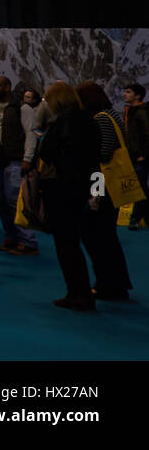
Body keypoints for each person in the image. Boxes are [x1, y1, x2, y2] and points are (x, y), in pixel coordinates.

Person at [37, 82, 102, 310]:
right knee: (87, 241)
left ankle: (78, 293)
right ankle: (89, 289)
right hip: (89, 185)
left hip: (63, 189)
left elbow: (46, 152)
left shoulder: (60, 123)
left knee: (66, 245)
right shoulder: (90, 121)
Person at [75, 82, 134, 299]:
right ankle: (114, 283)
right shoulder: (111, 115)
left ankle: (108, 284)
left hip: (99, 180)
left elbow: (104, 152)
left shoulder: (100, 119)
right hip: (106, 181)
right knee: (106, 234)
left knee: (97, 232)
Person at [0, 75, 36, 255]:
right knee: (0, 201)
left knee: (15, 201)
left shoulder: (22, 108)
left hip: (15, 160)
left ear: (7, 87)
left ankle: (28, 240)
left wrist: (27, 159)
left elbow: (30, 134)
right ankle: (11, 236)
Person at [123, 83, 149, 229]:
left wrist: (143, 154)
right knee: (140, 186)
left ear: (137, 95)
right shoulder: (131, 111)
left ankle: (135, 217)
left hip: (140, 156)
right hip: (133, 155)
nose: (124, 94)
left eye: (128, 92)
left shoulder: (141, 112)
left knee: (140, 187)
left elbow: (147, 133)